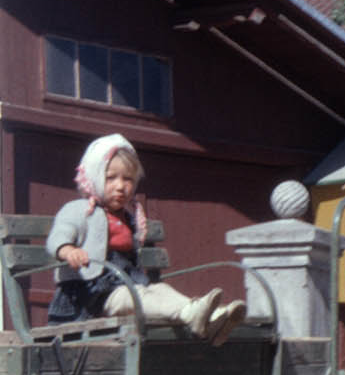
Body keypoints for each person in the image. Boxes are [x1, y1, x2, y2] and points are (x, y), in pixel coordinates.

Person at [45, 134, 247, 346]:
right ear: (94, 177)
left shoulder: (129, 218)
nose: (121, 186)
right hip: (91, 293)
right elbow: (58, 236)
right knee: (137, 296)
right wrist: (68, 250)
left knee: (160, 290)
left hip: (124, 281)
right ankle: (193, 314)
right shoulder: (79, 210)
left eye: (128, 179)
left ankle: (204, 315)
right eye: (111, 178)